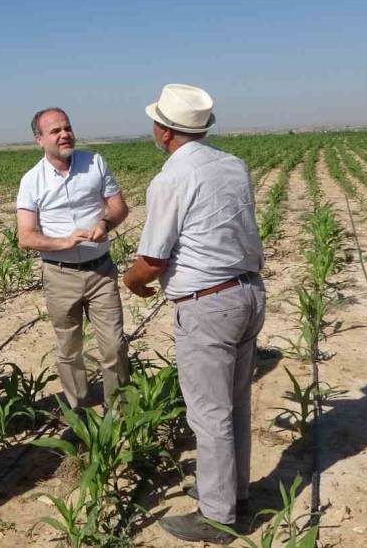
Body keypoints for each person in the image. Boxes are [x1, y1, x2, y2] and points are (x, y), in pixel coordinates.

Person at [122, 84, 265, 544]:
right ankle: (231, 491)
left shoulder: (172, 178)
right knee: (235, 403)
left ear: (164, 131)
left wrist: (133, 281)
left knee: (208, 412)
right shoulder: (233, 165)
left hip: (208, 305)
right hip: (248, 293)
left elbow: (154, 260)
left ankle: (218, 516)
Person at [16, 108, 130, 410]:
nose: (64, 134)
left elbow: (120, 208)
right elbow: (25, 236)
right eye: (55, 131)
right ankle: (78, 413)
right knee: (69, 350)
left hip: (100, 272)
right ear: (39, 139)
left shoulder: (95, 163)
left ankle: (119, 415)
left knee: (114, 346)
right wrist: (62, 242)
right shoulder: (31, 181)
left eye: (67, 128)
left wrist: (105, 224)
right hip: (60, 275)